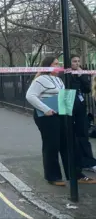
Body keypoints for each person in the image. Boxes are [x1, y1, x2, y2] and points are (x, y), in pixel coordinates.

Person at [26, 56, 95, 186]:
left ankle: (75, 174)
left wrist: (68, 112)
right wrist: (45, 109)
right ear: (47, 66)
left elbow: (62, 96)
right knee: (52, 145)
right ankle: (53, 176)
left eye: (59, 64)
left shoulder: (58, 79)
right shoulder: (40, 80)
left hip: (61, 114)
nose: (58, 66)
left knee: (69, 143)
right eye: (55, 64)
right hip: (47, 117)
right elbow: (30, 96)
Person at [70, 54, 96, 172]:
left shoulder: (81, 73)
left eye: (78, 61)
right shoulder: (64, 74)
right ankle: (76, 161)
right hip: (69, 107)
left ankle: (88, 162)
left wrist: (81, 76)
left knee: (83, 134)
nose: (77, 63)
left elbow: (87, 89)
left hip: (80, 107)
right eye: (74, 61)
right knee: (71, 136)